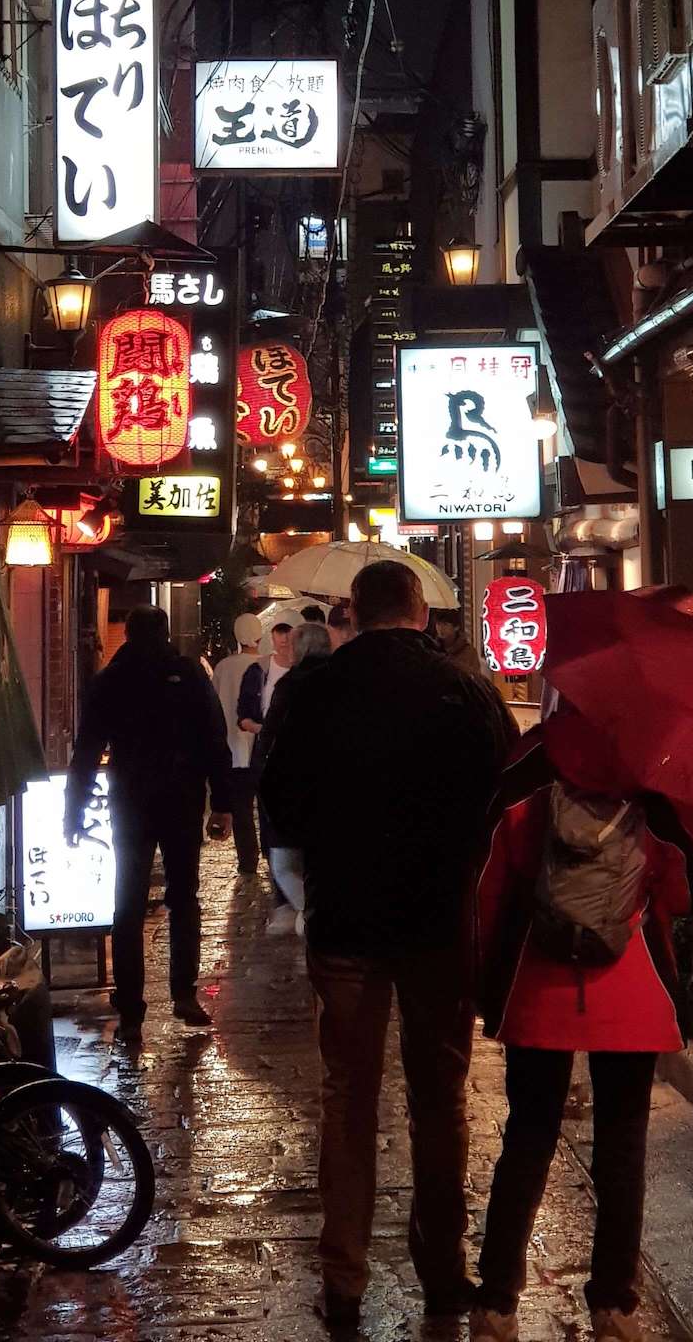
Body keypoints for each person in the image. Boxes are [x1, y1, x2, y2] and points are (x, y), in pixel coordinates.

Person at [261, 560, 518, 1330]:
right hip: (441, 925)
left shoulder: (313, 690)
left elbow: (279, 801)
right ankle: (444, 1275)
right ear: (417, 611)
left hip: (345, 921)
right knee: (440, 1102)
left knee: (348, 1098)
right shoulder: (466, 691)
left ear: (353, 611)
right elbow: (509, 797)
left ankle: (345, 1276)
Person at [469, 715, 693, 1342]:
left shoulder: (531, 761)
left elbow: (489, 876)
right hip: (631, 988)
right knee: (622, 1143)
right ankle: (613, 1307)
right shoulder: (658, 770)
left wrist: (484, 971)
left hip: (537, 981)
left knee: (528, 1134)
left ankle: (496, 1302)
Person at [66, 605, 232, 1040]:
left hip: (131, 800)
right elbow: (214, 738)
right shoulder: (187, 675)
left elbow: (87, 749)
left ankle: (133, 1006)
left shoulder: (111, 680)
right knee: (184, 897)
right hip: (181, 798)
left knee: (129, 904)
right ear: (165, 632)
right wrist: (223, 803)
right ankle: (183, 992)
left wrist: (75, 808)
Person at [257, 619, 333, 931]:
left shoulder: (290, 685)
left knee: (285, 862)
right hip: (333, 790)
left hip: (294, 788)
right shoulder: (343, 680)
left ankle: (311, 915)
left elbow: (270, 740)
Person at [238, 619, 300, 931]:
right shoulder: (259, 672)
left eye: (289, 642)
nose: (285, 647)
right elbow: (244, 716)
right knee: (270, 819)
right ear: (272, 641)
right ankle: (282, 889)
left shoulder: (306, 674)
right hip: (267, 757)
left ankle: (291, 893)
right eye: (280, 642)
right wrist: (266, 729)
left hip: (296, 758)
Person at [212, 612, 264, 873]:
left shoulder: (223, 667)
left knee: (242, 809)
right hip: (261, 748)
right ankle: (271, 855)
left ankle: (248, 859)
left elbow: (215, 707)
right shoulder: (267, 665)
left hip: (231, 748)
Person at [432, 606, 485, 680]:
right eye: (438, 624)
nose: (440, 628)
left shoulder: (469, 652)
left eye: (445, 624)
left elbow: (477, 679)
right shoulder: (433, 649)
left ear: (456, 627)